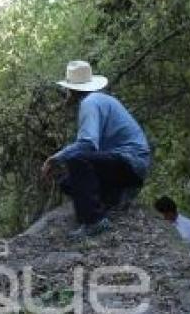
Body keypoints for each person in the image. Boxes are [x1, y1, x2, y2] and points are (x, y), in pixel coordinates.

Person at [42, 61, 151, 238]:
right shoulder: (101, 99)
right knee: (68, 183)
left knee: (76, 160)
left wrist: (55, 158)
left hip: (130, 162)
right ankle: (115, 197)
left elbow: (87, 144)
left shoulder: (89, 103)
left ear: (72, 89)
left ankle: (94, 221)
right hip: (132, 165)